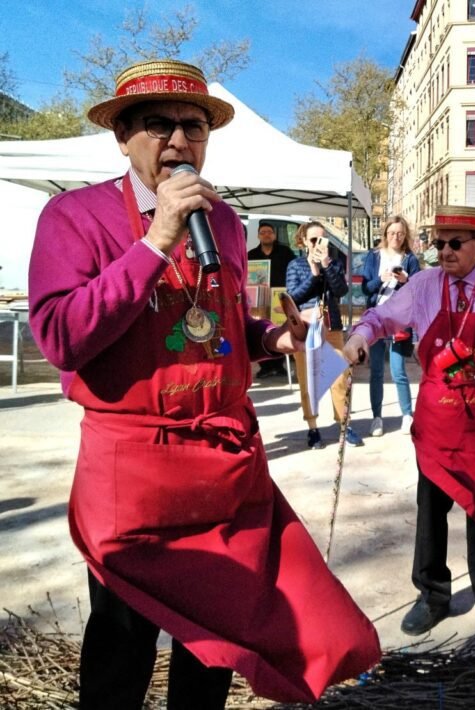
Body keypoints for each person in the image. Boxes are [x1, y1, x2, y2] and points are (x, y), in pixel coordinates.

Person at [27, 59, 379, 708]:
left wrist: (269, 339)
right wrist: (155, 238)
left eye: (195, 127)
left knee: (218, 640)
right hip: (132, 473)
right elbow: (60, 337)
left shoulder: (219, 222)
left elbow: (219, 320)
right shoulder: (73, 217)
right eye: (159, 125)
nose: (180, 141)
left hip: (220, 466)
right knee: (122, 639)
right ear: (122, 135)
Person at [343, 205, 475, 650]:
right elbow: (382, 317)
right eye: (439, 243)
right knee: (431, 511)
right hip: (437, 418)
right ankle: (432, 595)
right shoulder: (424, 285)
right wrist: (359, 336)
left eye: (455, 243)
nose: (444, 251)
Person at [286, 221, 364, 449]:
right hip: (306, 329)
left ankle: (344, 424)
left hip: (331, 327)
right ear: (303, 242)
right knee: (308, 380)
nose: (319, 244)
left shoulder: (335, 264)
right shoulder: (295, 265)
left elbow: (340, 290)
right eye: (314, 240)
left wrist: (327, 265)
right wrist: (312, 272)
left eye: (323, 240)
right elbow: (294, 297)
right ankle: (312, 428)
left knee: (340, 378)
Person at [361, 215, 421, 437]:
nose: (396, 237)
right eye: (392, 233)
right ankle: (377, 417)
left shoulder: (410, 260)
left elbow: (418, 291)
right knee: (376, 370)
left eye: (400, 233)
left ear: (405, 236)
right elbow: (366, 289)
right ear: (385, 234)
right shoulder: (374, 257)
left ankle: (407, 415)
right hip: (377, 318)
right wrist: (381, 279)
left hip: (399, 320)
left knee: (398, 370)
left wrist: (407, 281)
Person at [248, 222, 295, 378]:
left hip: (279, 296)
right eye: (263, 232)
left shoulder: (286, 252)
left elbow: (293, 271)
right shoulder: (251, 255)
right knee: (261, 328)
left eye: (269, 232)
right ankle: (265, 366)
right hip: (259, 298)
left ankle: (279, 364)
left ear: (274, 235)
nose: (266, 235)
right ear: (258, 236)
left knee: (279, 327)